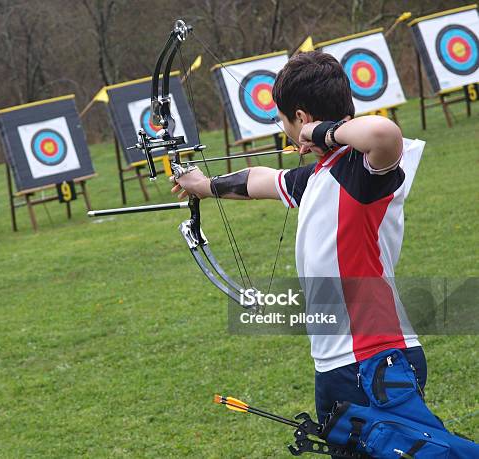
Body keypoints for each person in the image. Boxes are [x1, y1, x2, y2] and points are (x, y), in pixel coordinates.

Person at [169, 51, 426, 425]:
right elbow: (258, 180)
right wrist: (204, 185)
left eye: (285, 119)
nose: (284, 127)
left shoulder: (364, 171)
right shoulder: (320, 174)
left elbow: (384, 133)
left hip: (376, 358)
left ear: (302, 118)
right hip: (339, 363)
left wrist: (317, 132)